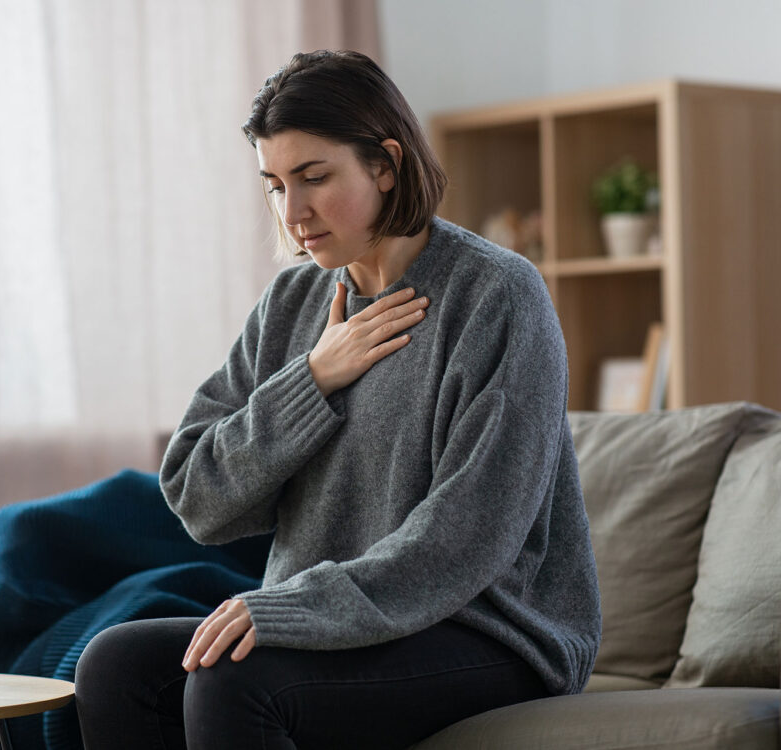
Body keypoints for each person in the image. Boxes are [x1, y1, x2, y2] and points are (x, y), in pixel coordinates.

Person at [75, 49, 601, 749]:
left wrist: (292, 609)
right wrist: (312, 379)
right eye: (274, 185)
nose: (293, 212)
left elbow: (466, 535)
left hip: (489, 633)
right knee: (115, 665)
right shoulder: (293, 303)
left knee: (233, 682)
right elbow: (196, 495)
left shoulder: (497, 296)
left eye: (314, 177)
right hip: (336, 626)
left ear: (384, 164)